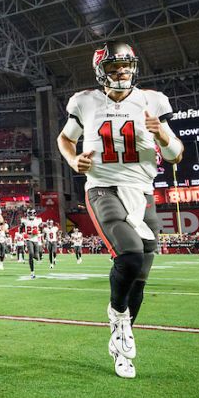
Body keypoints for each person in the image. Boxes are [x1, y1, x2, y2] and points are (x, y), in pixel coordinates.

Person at [58, 41, 184, 379]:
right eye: (115, 67)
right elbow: (65, 139)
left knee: (140, 278)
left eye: (127, 66)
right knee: (128, 255)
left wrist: (162, 136)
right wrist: (74, 160)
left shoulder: (152, 101)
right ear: (102, 71)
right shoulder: (84, 101)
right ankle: (117, 314)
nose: (122, 72)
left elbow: (176, 155)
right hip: (102, 187)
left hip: (142, 192)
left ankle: (123, 338)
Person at [19, 208, 43, 279]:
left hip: (36, 239)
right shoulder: (24, 220)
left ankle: (37, 258)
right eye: (30, 213)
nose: (31, 215)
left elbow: (41, 230)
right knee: (31, 254)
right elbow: (20, 230)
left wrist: (37, 232)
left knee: (36, 255)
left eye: (32, 213)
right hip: (28, 239)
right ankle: (32, 272)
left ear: (35, 214)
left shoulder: (38, 220)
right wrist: (23, 234)